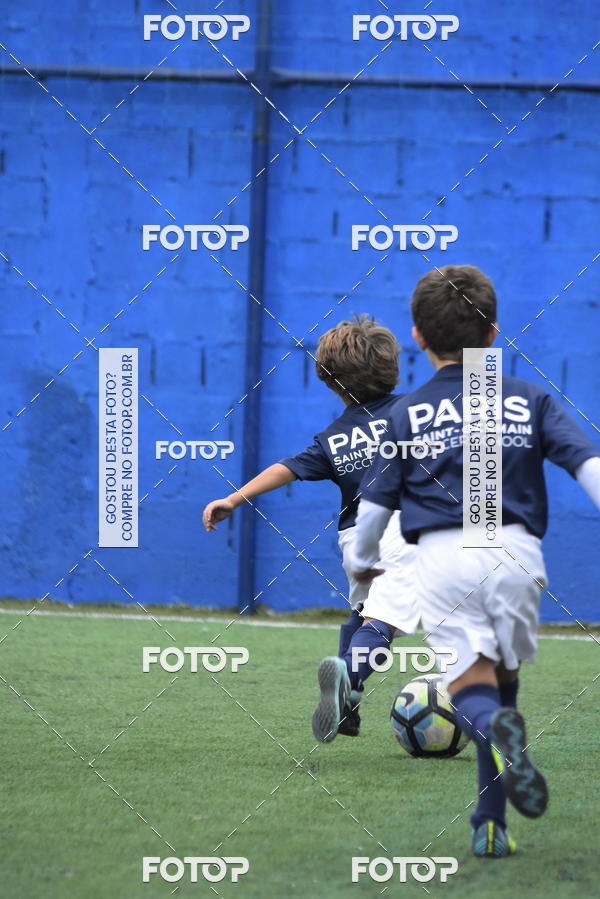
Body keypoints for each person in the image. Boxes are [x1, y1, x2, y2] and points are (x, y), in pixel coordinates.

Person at [347, 265, 600, 857]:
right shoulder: (529, 397)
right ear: (494, 334)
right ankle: (490, 823)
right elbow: (588, 466)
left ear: (416, 337)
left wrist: (361, 567)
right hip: (516, 554)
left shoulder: (405, 414)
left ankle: (503, 753)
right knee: (503, 686)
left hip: (442, 560)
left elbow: (374, 512)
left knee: (472, 690)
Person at [202, 315, 419, 741]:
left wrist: (233, 498)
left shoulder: (333, 438)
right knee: (382, 625)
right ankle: (348, 680)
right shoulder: (415, 411)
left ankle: (346, 708)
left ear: (330, 382)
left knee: (364, 615)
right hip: (404, 528)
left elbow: (286, 469)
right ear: (393, 367)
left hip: (356, 538)